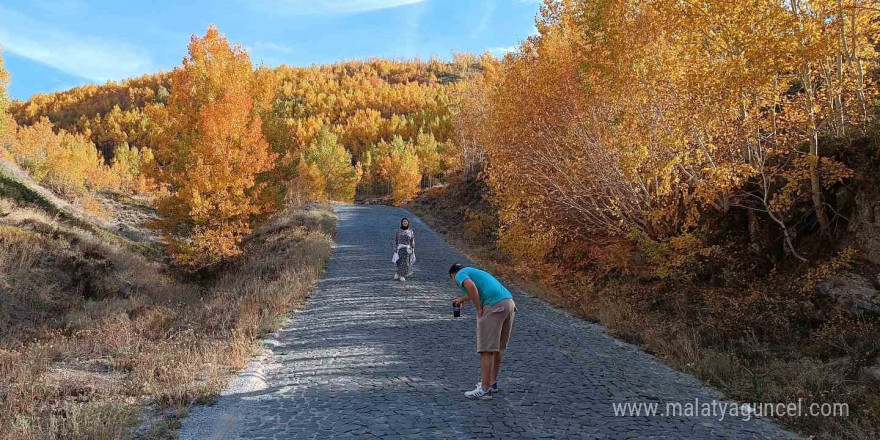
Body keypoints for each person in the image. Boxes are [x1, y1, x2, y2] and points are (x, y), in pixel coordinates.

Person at [449, 263, 516, 400]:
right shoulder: (474, 271)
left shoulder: (459, 274)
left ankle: (484, 389)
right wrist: (462, 299)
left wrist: (479, 308)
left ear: (452, 275)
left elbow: (471, 287)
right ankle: (492, 383)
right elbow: (476, 290)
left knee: (486, 349)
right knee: (495, 347)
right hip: (508, 303)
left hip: (494, 306)